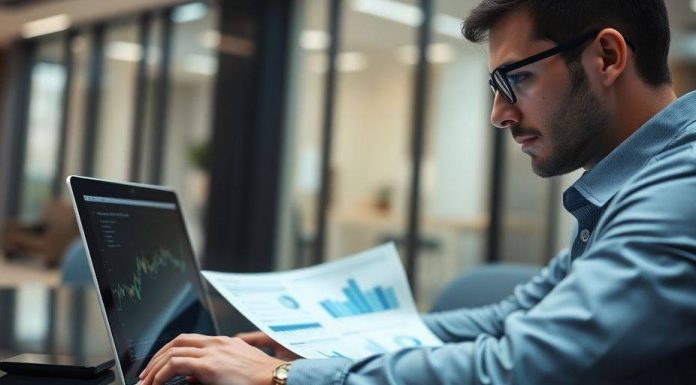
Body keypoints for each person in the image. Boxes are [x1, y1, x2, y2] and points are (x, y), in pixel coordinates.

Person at [138, 0, 696, 384]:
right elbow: (508, 319)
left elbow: (525, 366)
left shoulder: (680, 187)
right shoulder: (631, 187)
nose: (500, 114)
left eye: (516, 78)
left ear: (606, 57)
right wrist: (322, 346)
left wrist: (284, 377)